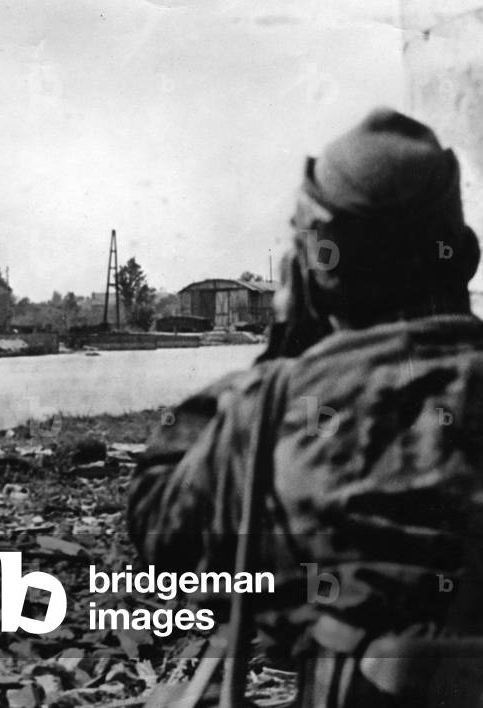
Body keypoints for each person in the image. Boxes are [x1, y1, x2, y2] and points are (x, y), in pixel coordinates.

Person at [128, 108, 483, 707]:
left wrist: (280, 355)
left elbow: (159, 523)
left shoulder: (272, 414)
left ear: (319, 271)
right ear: (461, 251)